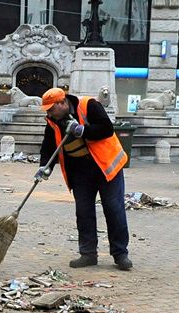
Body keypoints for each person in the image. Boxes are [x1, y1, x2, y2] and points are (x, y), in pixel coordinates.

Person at [35, 87, 131, 271]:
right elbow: (48, 146)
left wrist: (82, 130)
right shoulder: (52, 120)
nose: (49, 113)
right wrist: (45, 167)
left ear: (62, 103)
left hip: (105, 167)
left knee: (113, 208)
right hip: (80, 172)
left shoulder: (89, 105)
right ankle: (88, 254)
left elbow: (106, 129)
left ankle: (120, 254)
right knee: (83, 212)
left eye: (51, 109)